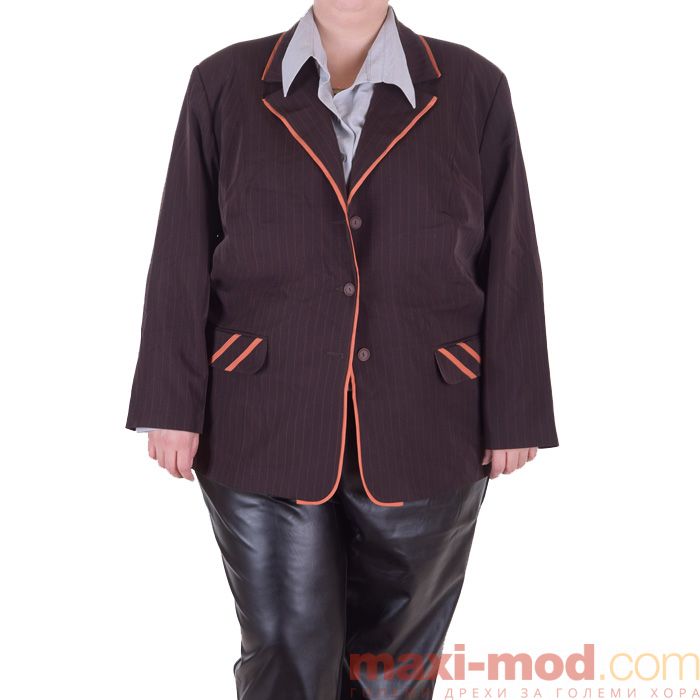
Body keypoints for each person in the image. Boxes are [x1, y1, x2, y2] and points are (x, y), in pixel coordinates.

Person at [125, 1, 559, 697]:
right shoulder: (223, 83)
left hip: (430, 421)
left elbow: (511, 253)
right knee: (288, 657)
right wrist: (169, 403)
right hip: (262, 420)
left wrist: (517, 410)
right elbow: (182, 243)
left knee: (394, 674)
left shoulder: (475, 86)